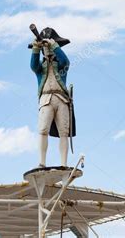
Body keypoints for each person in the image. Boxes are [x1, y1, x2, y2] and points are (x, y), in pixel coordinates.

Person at [30, 27, 75, 167]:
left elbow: (65, 61)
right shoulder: (40, 67)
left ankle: (63, 163)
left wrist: (53, 45)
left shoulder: (61, 65)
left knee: (63, 132)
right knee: (43, 130)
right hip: (46, 99)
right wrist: (36, 49)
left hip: (61, 99)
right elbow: (33, 65)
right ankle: (42, 162)